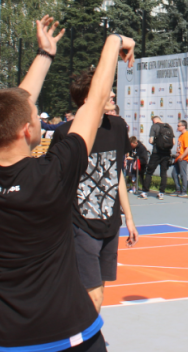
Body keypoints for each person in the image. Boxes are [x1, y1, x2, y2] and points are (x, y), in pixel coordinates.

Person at [0, 16, 134, 352]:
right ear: (28, 130)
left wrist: (46, 54)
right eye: (36, 114)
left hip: (5, 340)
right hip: (70, 334)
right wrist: (114, 41)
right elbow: (94, 103)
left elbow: (10, 108)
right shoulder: (51, 175)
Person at [51, 77, 138, 315]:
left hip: (110, 224)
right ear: (88, 99)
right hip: (80, 225)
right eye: (106, 91)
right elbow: (56, 182)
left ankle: (76, 334)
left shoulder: (118, 126)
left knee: (98, 289)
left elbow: (116, 173)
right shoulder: (65, 133)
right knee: (93, 296)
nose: (112, 94)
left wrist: (128, 217)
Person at [140, 115, 174, 200]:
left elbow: (151, 140)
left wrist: (155, 142)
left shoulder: (154, 126)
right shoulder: (169, 127)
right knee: (163, 173)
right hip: (166, 153)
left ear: (154, 121)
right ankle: (161, 193)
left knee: (149, 172)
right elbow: (173, 142)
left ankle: (144, 192)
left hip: (156, 153)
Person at [171, 120, 188, 197]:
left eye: (179, 126)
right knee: (174, 174)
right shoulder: (181, 136)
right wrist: (176, 155)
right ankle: (178, 189)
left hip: (183, 159)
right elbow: (180, 148)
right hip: (178, 158)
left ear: (184, 127)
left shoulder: (186, 135)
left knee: (183, 174)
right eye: (177, 125)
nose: (177, 127)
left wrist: (182, 157)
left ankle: (184, 191)